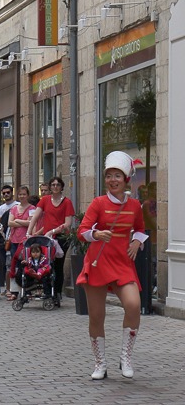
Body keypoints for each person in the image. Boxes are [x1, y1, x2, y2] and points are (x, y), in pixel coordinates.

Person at [76, 151, 146, 380]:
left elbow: (140, 229)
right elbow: (82, 232)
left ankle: (125, 357)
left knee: (133, 305)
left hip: (123, 263)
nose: (112, 180)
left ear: (126, 179)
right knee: (96, 316)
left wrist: (136, 241)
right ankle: (100, 363)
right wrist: (97, 233)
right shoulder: (98, 203)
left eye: (117, 175)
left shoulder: (135, 205)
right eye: (109, 176)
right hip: (98, 262)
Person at [27, 176, 75, 306]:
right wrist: (29, 232)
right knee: (46, 265)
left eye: (57, 185)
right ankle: (48, 291)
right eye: (53, 185)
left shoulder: (67, 202)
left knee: (58, 266)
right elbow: (35, 216)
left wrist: (53, 231)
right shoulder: (45, 200)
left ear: (61, 187)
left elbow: (68, 223)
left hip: (61, 238)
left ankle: (57, 293)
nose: (55, 187)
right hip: (47, 238)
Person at [6, 186, 35, 301]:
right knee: (14, 266)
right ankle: (14, 291)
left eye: (24, 194)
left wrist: (17, 221)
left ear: (27, 195)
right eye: (20, 194)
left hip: (26, 241)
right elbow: (9, 223)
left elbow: (31, 223)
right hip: (14, 240)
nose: (22, 196)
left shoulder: (32, 208)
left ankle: (26, 290)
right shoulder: (14, 208)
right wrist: (22, 222)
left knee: (25, 265)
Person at [0, 185, 16, 293]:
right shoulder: (1, 208)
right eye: (4, 193)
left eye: (8, 192)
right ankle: (8, 287)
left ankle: (15, 287)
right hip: (5, 239)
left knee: (14, 263)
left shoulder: (17, 205)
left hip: (16, 237)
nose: (6, 194)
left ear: (12, 193)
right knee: (7, 264)